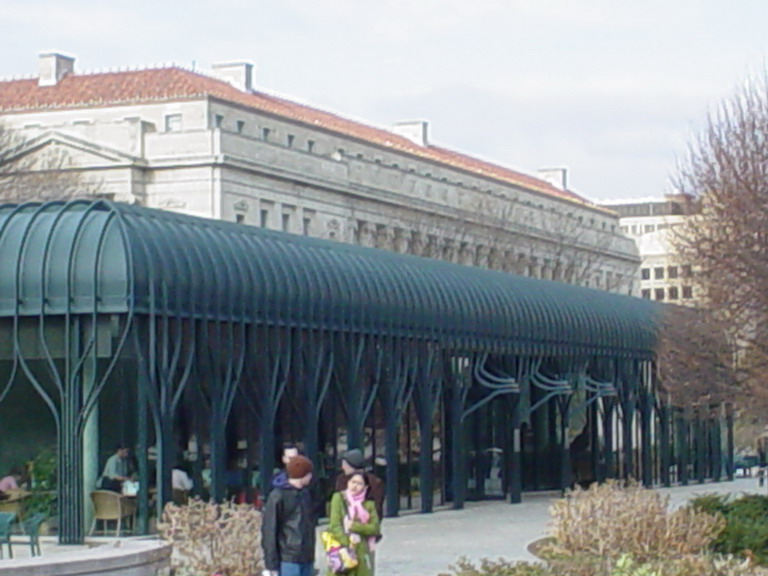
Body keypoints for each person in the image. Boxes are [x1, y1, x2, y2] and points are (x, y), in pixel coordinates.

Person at [262, 455, 316, 576]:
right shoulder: (277, 496)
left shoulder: (305, 494)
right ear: (303, 475)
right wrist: (271, 564)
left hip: (306, 556)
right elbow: (270, 530)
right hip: (288, 557)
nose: (311, 476)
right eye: (309, 473)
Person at [326, 471, 381, 576]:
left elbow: (375, 528)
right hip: (342, 551)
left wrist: (355, 526)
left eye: (359, 483)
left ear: (365, 487)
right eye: (353, 482)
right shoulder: (339, 498)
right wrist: (349, 545)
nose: (355, 486)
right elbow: (335, 525)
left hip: (363, 551)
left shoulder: (369, 504)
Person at [334, 449, 385, 523]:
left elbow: (377, 509)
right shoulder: (341, 480)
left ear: (352, 465)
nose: (343, 467)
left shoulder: (374, 482)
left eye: (345, 464)